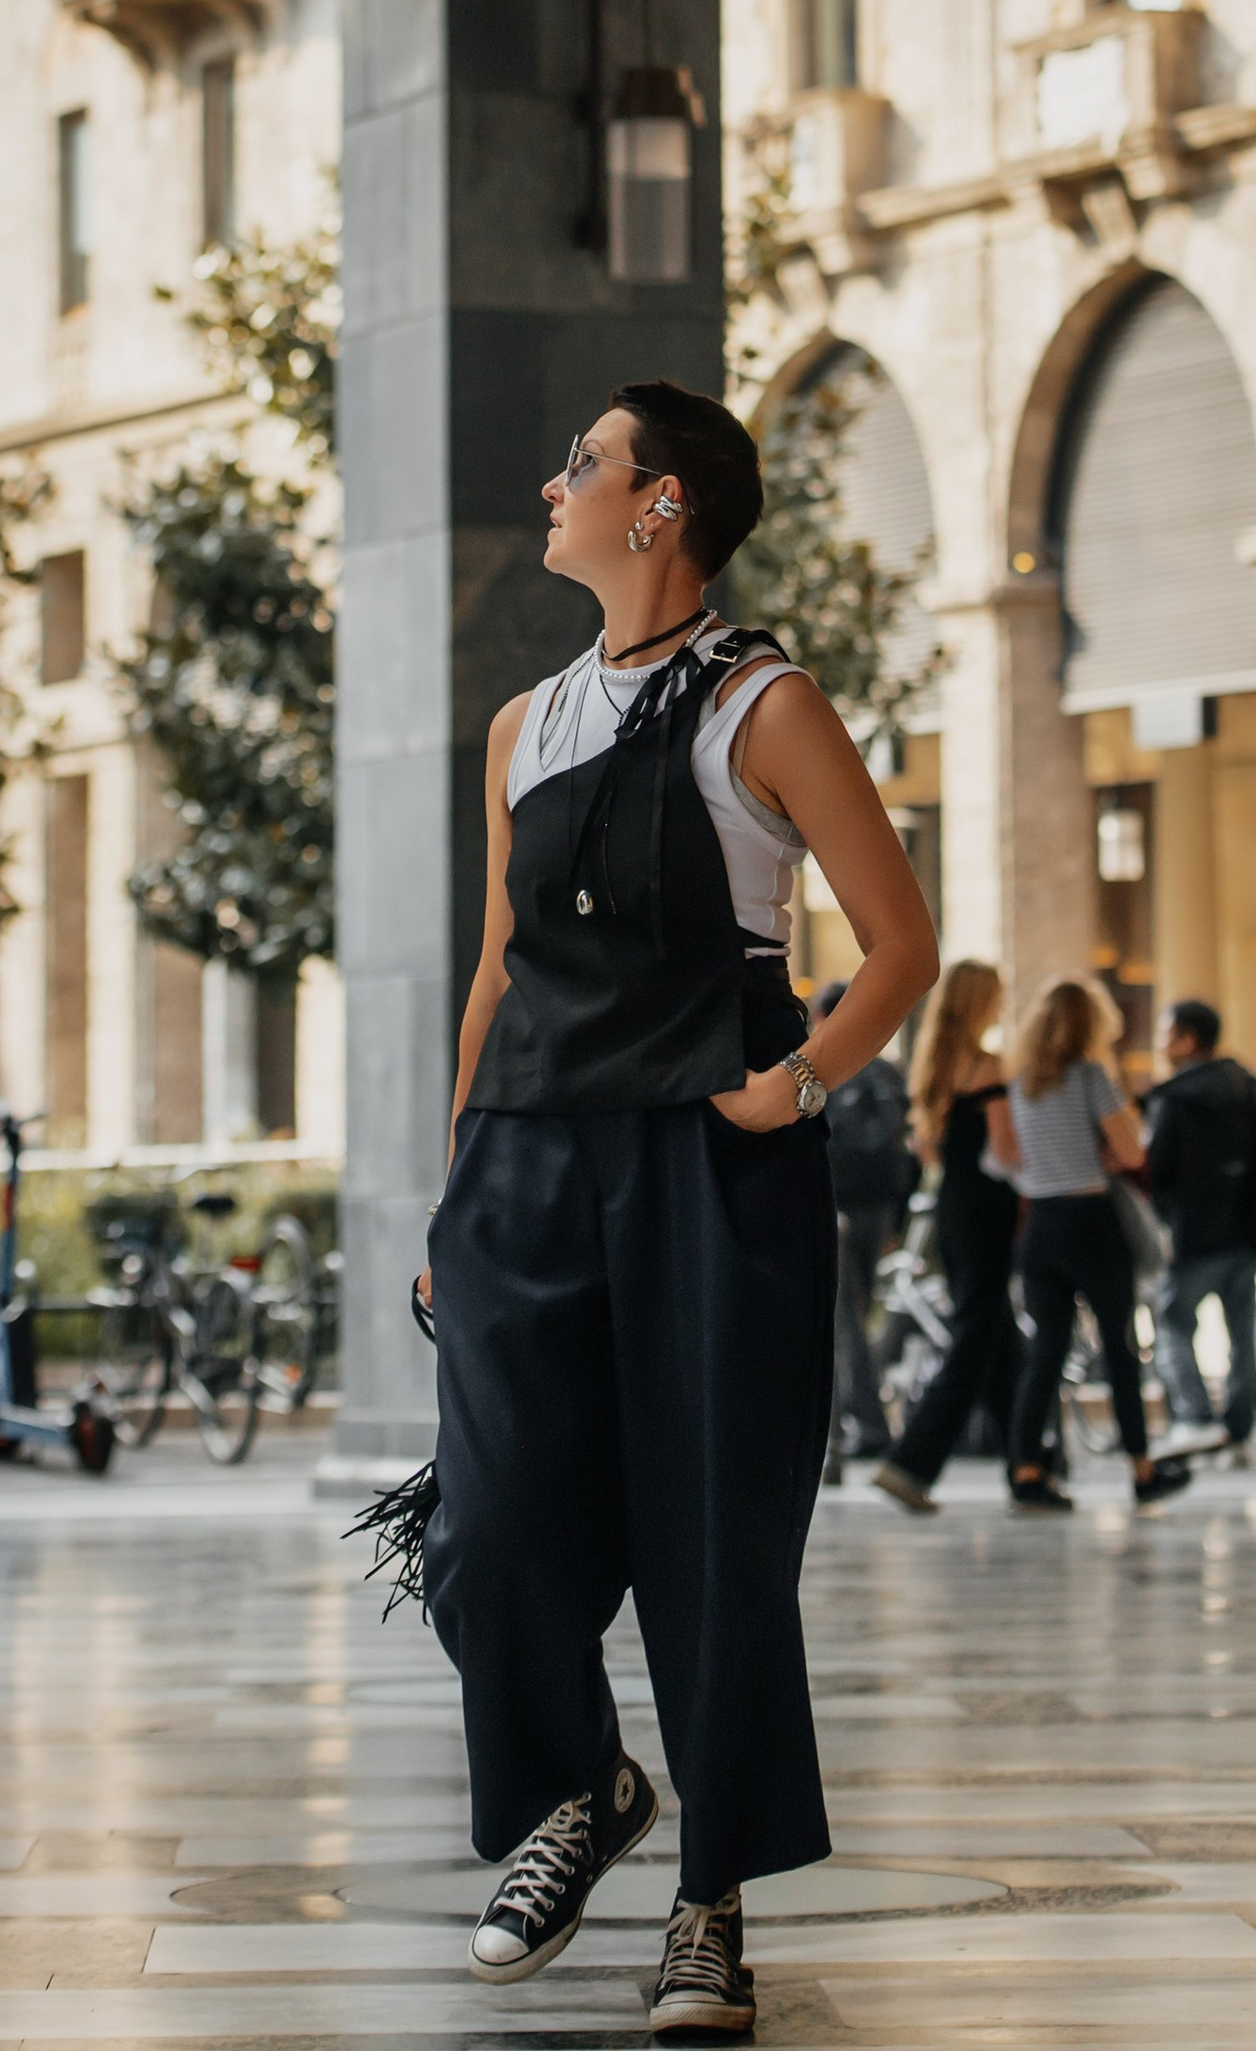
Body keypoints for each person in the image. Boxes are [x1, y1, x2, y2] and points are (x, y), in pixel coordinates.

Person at [414, 382, 938, 2040]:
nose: (555, 477)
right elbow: (501, 965)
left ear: (661, 509)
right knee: (485, 1537)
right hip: (526, 1163)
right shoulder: (523, 721)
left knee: (716, 1545)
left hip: (712, 1165)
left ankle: (710, 1902)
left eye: (584, 459)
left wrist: (800, 1082)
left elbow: (900, 940)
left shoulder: (765, 701)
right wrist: (457, 1182)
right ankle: (583, 1786)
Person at [994, 974, 1192, 1509]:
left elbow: (1007, 1160)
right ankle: (1143, 1470)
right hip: (1091, 1223)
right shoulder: (1090, 1078)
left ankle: (1026, 1468)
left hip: (1041, 1227)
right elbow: (1132, 1154)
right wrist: (1104, 1150)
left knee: (1046, 1351)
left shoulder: (1020, 1084)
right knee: (1118, 1346)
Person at [872, 959, 1019, 1511]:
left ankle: (1028, 1463)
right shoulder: (988, 1066)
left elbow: (929, 1151)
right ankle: (910, 1463)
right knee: (978, 1337)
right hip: (989, 1210)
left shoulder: (934, 1066)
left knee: (997, 1337)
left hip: (953, 1212)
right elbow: (1005, 1153)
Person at [1142, 995, 1256, 1460]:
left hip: (1193, 1234)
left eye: (1166, 1033)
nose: (1160, 1043)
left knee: (1175, 1324)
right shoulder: (1250, 1087)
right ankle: (1237, 1433)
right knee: (1243, 1333)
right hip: (1248, 1229)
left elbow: (1156, 1167)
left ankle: (1196, 1418)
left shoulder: (1173, 1098)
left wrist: (1164, 1217)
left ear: (1187, 1038)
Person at [814, 976, 914, 1465]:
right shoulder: (885, 1071)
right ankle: (865, 1422)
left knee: (843, 1319)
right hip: (880, 1206)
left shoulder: (820, 1069)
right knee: (857, 1313)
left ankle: (859, 1427)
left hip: (837, 1205)